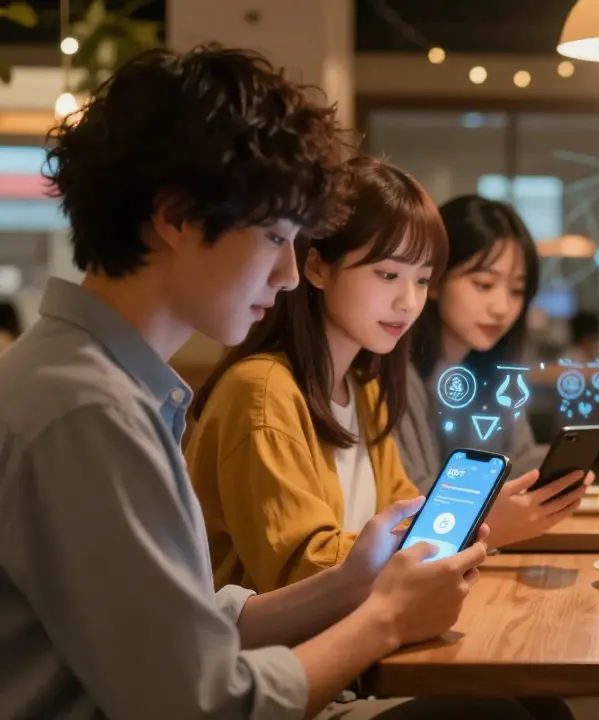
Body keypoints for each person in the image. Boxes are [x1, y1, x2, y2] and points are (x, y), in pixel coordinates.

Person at [0, 45, 557, 720]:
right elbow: (197, 704)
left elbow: (193, 627)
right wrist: (381, 617)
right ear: (177, 217)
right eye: (274, 236)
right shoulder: (87, 410)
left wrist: (353, 582)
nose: (291, 273)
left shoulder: (111, 387)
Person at [184, 156, 443, 592]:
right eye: (388, 274)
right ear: (318, 267)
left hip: (350, 633)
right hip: (269, 654)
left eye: (422, 280)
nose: (408, 301)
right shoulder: (261, 391)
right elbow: (298, 567)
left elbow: (406, 514)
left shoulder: (365, 390)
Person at [395, 194, 590, 549]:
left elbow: (518, 459)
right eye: (483, 284)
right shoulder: (398, 375)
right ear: (434, 280)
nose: (502, 307)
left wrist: (560, 468)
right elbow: (413, 501)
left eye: (517, 290)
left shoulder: (491, 378)